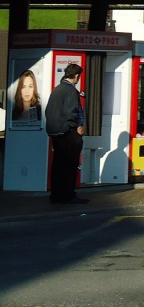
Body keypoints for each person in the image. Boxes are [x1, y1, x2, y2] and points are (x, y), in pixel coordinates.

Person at [44, 63, 87, 204]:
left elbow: (48, 111)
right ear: (76, 76)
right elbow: (71, 113)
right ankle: (68, 195)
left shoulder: (57, 89)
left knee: (58, 165)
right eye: (78, 76)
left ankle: (56, 195)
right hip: (66, 132)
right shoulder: (70, 91)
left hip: (55, 131)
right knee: (70, 165)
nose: (78, 79)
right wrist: (77, 126)